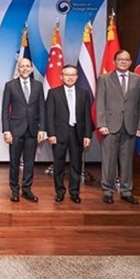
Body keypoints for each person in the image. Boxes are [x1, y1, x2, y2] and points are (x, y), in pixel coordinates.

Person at [96, 49, 140, 205]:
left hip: (130, 126)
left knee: (127, 161)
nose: (123, 62)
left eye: (126, 59)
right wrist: (102, 124)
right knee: (109, 161)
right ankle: (107, 191)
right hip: (110, 126)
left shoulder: (139, 80)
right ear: (115, 61)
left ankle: (126, 191)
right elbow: (100, 103)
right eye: (120, 59)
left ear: (130, 62)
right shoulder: (104, 79)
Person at [45, 64, 93, 203]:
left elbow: (87, 116)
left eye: (73, 75)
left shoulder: (84, 93)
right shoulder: (53, 93)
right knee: (58, 165)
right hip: (59, 134)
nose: (70, 77)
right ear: (61, 76)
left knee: (76, 165)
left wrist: (87, 135)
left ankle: (74, 192)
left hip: (77, 133)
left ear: (77, 77)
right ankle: (59, 192)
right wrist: (51, 134)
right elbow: (50, 115)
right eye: (67, 75)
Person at [2, 58, 47, 203]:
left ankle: (27, 190)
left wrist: (42, 129)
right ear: (18, 69)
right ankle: (14, 190)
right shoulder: (10, 85)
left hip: (33, 130)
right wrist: (6, 130)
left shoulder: (38, 86)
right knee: (15, 162)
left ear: (32, 69)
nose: (25, 68)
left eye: (28, 66)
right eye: (22, 66)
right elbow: (4, 110)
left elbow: (42, 108)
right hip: (15, 130)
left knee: (29, 162)